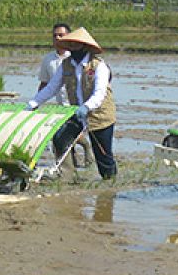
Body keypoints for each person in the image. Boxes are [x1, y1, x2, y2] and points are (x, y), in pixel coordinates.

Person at [28, 27, 117, 180]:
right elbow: (51, 87)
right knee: (60, 138)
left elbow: (99, 94)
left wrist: (87, 107)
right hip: (77, 112)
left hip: (99, 115)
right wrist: (33, 103)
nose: (73, 48)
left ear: (85, 46)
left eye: (76, 45)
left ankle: (110, 184)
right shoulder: (66, 65)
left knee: (103, 155)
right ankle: (67, 176)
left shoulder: (98, 66)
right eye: (70, 45)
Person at [37, 22, 93, 171]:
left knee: (67, 136)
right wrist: (36, 102)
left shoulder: (75, 57)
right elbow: (45, 84)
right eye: (55, 35)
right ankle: (69, 168)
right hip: (61, 107)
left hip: (77, 105)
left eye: (61, 35)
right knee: (61, 139)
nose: (57, 38)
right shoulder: (48, 60)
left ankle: (86, 148)